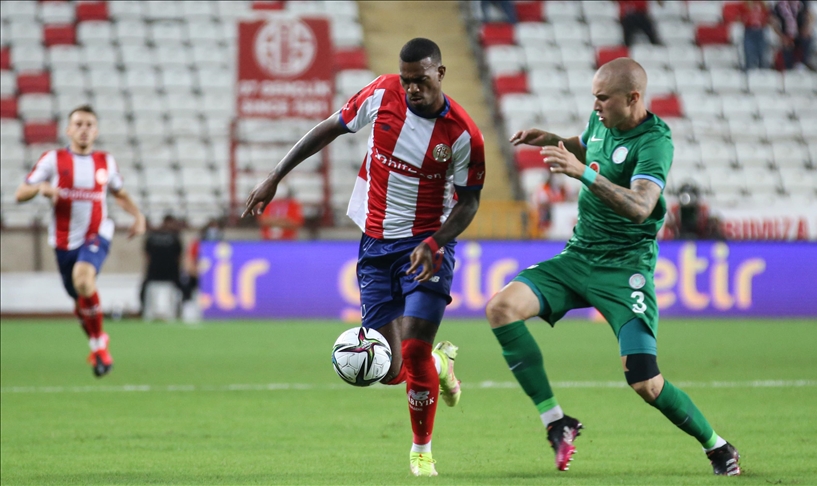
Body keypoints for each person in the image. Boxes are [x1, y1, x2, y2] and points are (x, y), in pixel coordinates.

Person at [485, 58, 741, 476]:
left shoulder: (654, 142)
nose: (596, 105)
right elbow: (589, 147)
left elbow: (641, 206)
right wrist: (551, 139)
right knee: (501, 308)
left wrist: (582, 174)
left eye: (603, 98)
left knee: (645, 382)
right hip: (578, 256)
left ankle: (718, 446)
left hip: (624, 269)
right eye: (595, 97)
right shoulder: (601, 120)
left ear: (633, 98)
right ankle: (556, 422)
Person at [243, 38, 485, 477]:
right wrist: (275, 175)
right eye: (407, 80)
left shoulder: (463, 134)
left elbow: (469, 203)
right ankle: (440, 365)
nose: (412, 88)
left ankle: (421, 453)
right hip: (375, 245)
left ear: (440, 73)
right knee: (388, 369)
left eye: (420, 80)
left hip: (427, 248)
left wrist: (436, 243)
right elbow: (329, 127)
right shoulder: (381, 93)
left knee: (413, 348)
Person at [15, 105, 146, 377]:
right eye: (79, 124)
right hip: (64, 243)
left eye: (89, 125)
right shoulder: (53, 160)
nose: (84, 129)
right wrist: (40, 188)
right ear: (68, 130)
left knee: (84, 280)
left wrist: (138, 215)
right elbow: (20, 193)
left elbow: (119, 193)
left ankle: (98, 345)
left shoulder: (105, 162)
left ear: (96, 131)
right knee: (79, 298)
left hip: (97, 233)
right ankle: (98, 342)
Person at [140, 214, 184, 317]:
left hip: (164, 272)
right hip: (161, 272)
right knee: (145, 291)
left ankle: (178, 311)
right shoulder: (173, 237)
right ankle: (144, 311)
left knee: (178, 291)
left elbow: (147, 255)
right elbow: (179, 256)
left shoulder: (172, 237)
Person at [771, 0, 814, 71]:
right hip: (786, 34)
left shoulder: (802, 3)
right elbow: (773, 22)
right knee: (786, 45)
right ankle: (788, 67)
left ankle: (804, 62)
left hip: (800, 32)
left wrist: (806, 28)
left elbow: (809, 15)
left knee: (807, 38)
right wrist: (781, 35)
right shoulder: (779, 6)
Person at [531, 172, 574, 236]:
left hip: (558, 210)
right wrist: (552, 204)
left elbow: (568, 197)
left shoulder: (561, 189)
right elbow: (541, 202)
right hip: (545, 210)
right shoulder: (543, 188)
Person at [741, 0, 771, 70]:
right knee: (749, 52)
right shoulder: (746, 5)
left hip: (760, 30)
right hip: (749, 30)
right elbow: (740, 17)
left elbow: (768, 17)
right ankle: (750, 69)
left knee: (762, 52)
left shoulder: (763, 6)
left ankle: (763, 70)